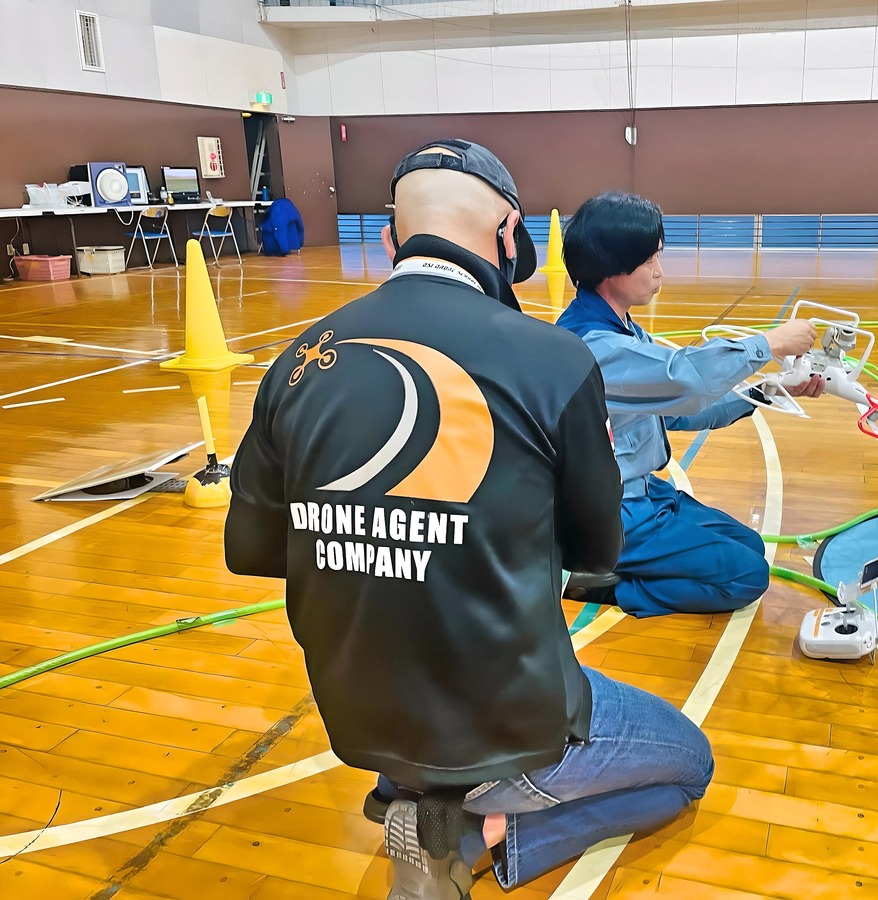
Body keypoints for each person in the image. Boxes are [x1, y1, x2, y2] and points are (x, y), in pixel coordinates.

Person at [224, 142, 713, 900]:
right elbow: (596, 552)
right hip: (509, 722)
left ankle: (416, 792)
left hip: (363, 714)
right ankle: (480, 833)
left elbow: (253, 549)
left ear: (391, 238)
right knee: (688, 765)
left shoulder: (298, 360)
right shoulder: (551, 358)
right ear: (509, 231)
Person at [557, 191, 824, 618]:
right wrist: (768, 344)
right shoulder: (593, 346)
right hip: (611, 512)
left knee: (749, 545)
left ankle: (634, 567)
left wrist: (770, 391)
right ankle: (608, 588)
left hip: (644, 493)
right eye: (649, 261)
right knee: (747, 575)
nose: (659, 272)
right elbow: (687, 379)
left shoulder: (620, 329)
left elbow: (682, 409)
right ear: (611, 270)